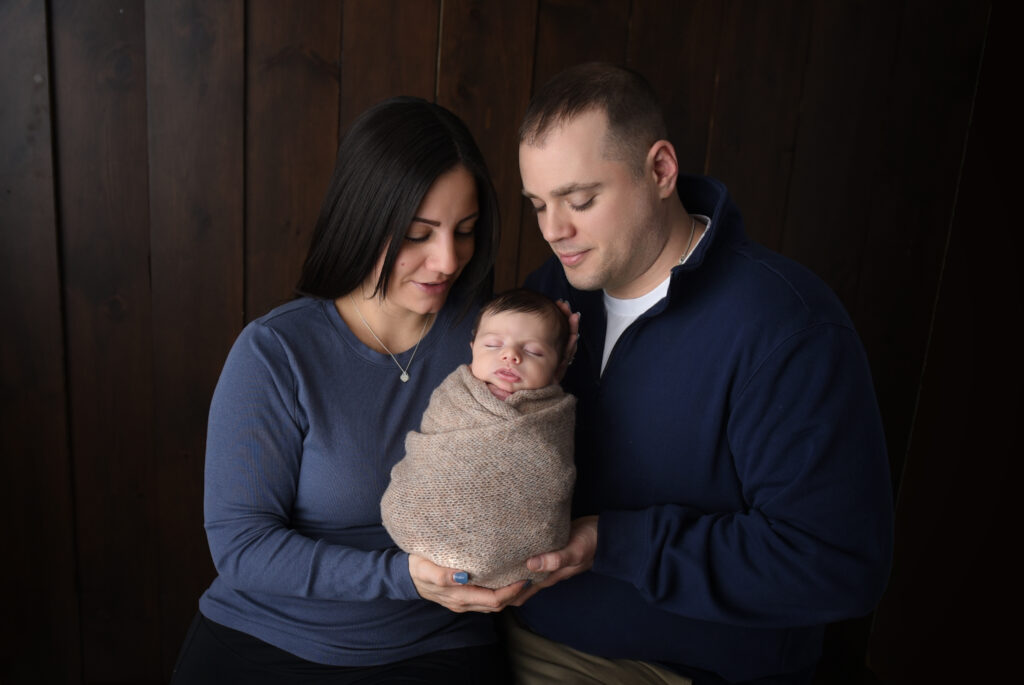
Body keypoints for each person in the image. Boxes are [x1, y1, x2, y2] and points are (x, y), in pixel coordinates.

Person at [506, 63, 895, 685]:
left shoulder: (786, 327)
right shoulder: (547, 299)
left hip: (679, 668)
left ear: (660, 171)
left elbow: (836, 564)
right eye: (538, 205)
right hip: (514, 632)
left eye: (580, 200)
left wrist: (612, 544)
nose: (555, 230)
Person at [171, 96, 525, 684]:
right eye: (418, 234)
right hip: (266, 639)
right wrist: (399, 576)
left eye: (464, 232)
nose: (447, 260)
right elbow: (242, 547)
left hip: (434, 644)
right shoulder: (275, 352)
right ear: (364, 217)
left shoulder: (492, 343)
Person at [381, 288, 576, 589]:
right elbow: (431, 455)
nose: (510, 355)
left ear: (557, 366)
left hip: (519, 545)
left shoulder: (552, 413)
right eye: (493, 344)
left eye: (534, 352)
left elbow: (551, 471)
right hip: (430, 518)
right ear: (472, 348)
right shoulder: (454, 396)